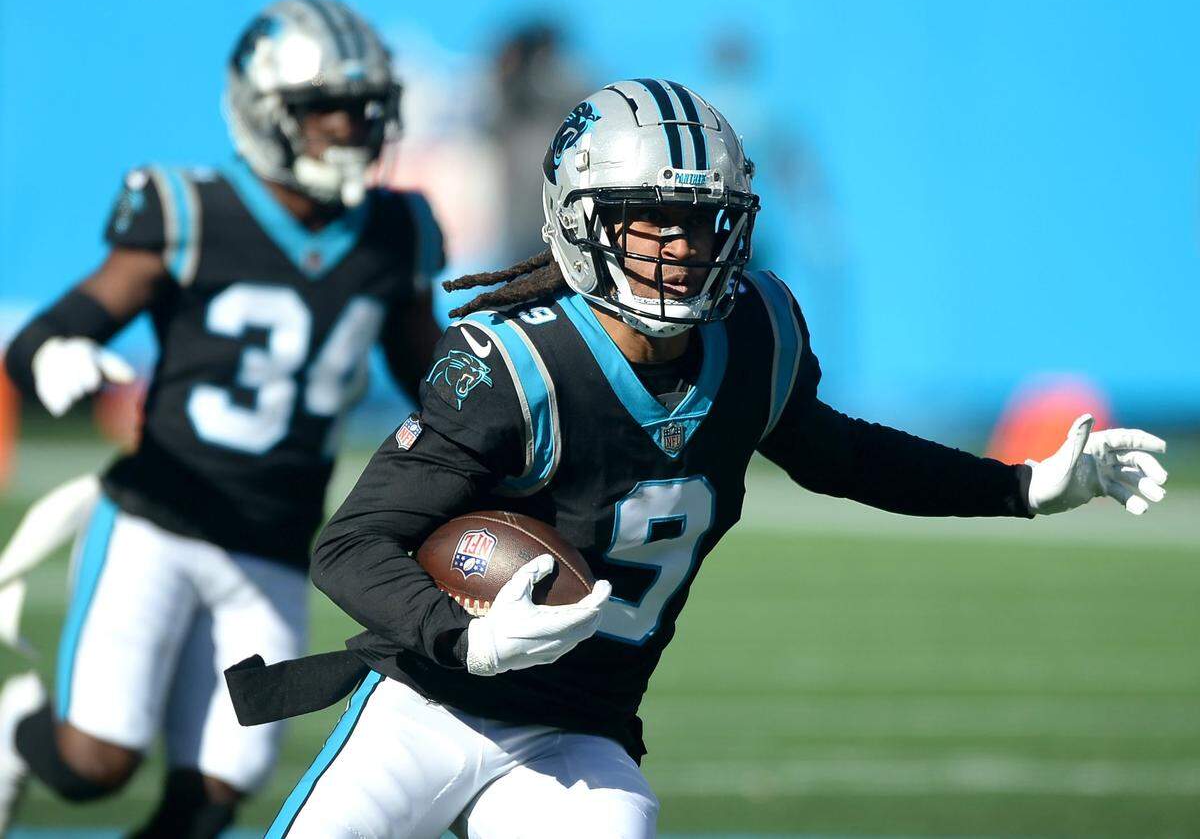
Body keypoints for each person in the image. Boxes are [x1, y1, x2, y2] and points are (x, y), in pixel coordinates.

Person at [257, 79, 1168, 838]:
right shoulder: (518, 366)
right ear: (581, 220)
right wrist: (471, 638)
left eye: (701, 223)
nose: (683, 250)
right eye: (651, 221)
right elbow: (352, 545)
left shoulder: (755, 339)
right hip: (430, 701)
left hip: (578, 728)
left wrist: (1023, 485)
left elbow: (843, 454)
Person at [0, 0, 446, 838]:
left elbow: (431, 369)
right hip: (157, 522)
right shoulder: (191, 210)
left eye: (365, 109)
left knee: (215, 793)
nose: (351, 128)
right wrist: (56, 355)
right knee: (97, 763)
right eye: (326, 111)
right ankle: (20, 735)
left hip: (277, 545)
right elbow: (54, 328)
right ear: (266, 113)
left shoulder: (398, 228)